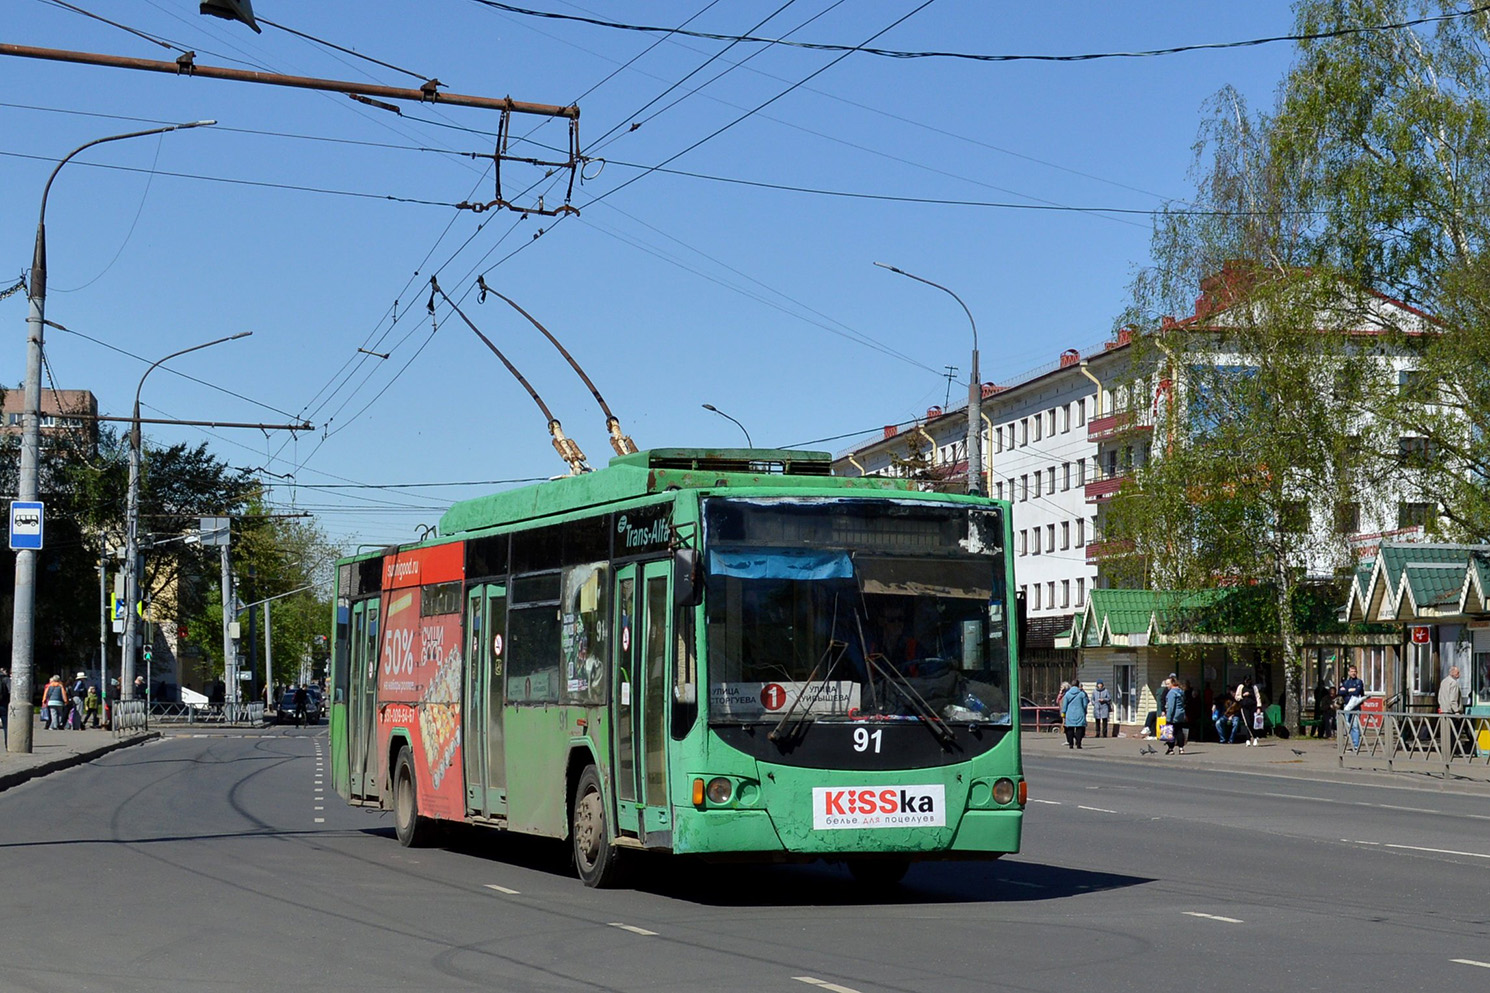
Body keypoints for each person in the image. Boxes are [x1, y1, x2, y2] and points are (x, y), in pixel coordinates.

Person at [1438, 665, 1466, 755]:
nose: (1459, 674)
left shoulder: (1444, 681)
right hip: (1451, 711)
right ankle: (1452, 751)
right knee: (1453, 733)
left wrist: (1442, 706)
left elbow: (1440, 696)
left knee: (1445, 732)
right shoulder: (1453, 683)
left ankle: (1445, 751)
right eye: (1458, 672)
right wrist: (1457, 711)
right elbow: (1453, 699)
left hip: (1444, 710)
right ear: (1453, 673)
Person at [1339, 664, 1366, 751]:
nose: (1353, 673)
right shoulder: (1346, 682)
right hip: (1347, 705)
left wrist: (1347, 691)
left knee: (1355, 725)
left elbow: (1357, 692)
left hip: (1355, 705)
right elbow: (1340, 692)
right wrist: (1349, 690)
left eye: (1354, 671)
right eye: (1351, 671)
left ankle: (1356, 745)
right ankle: (1351, 743)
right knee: (1347, 725)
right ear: (1349, 672)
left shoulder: (1359, 682)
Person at [1060, 679, 1090, 750]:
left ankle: (1071, 744)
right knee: (1080, 728)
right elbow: (1085, 704)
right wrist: (1084, 710)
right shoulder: (1082, 694)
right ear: (1078, 685)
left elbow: (1065, 705)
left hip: (1070, 713)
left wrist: (1063, 712)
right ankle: (1078, 744)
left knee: (1070, 729)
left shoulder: (1067, 694)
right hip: (1080, 713)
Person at [1163, 677, 1188, 754]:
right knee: (1179, 731)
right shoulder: (1180, 691)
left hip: (1173, 714)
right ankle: (1181, 748)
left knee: (1168, 731)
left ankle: (1170, 749)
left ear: (1173, 683)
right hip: (1180, 714)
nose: (1167, 686)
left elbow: (1171, 706)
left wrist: (1168, 717)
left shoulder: (1171, 693)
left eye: (1168, 684)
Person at [0, 666, 10, 746]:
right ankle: (8, 744)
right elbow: (11, 691)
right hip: (3, 704)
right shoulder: (6, 679)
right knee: (6, 726)